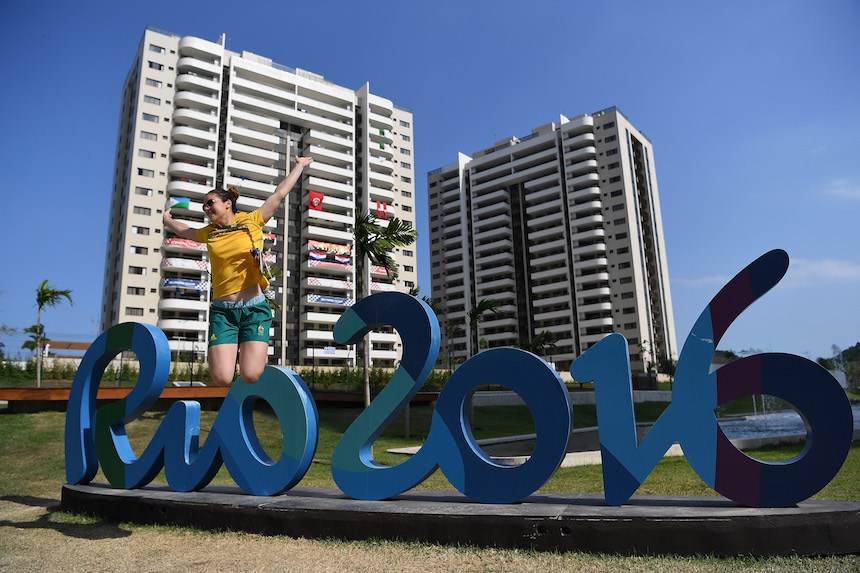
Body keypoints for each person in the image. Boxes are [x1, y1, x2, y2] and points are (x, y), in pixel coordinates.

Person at [163, 156, 314, 386]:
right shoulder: (210, 232)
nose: (206, 208)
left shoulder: (252, 221)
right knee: (222, 377)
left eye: (210, 202)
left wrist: (299, 166)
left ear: (227, 203)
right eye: (204, 206)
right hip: (223, 312)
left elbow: (279, 194)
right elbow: (186, 231)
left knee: (251, 374)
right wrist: (168, 221)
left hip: (254, 308)